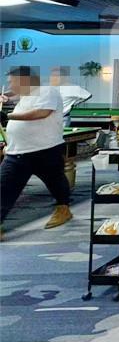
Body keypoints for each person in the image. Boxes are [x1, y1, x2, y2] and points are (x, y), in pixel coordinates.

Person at [0, 67, 73, 229]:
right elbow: (12, 96)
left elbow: (41, 113)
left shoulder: (47, 91)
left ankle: (63, 209)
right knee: (3, 188)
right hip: (17, 152)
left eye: (12, 81)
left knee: (56, 183)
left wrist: (7, 116)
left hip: (45, 150)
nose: (10, 85)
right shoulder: (26, 96)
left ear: (25, 80)